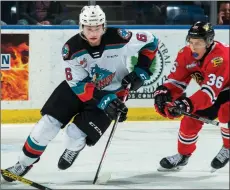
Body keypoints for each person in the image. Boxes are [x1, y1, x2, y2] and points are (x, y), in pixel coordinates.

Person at [2, 5, 159, 182]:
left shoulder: (121, 37)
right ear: (81, 27)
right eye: (89, 28)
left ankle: (73, 148)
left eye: (97, 28)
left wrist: (142, 69)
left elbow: (151, 41)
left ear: (104, 26)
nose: (93, 33)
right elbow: (79, 86)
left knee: (75, 135)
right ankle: (23, 164)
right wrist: (105, 100)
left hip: (113, 92)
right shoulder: (72, 49)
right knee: (46, 126)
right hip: (77, 89)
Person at [153, 21, 229, 172]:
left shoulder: (221, 57)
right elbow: (175, 81)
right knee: (190, 119)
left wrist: (186, 103)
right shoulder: (185, 54)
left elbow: (208, 94)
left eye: (199, 43)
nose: (193, 47)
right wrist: (164, 94)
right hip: (212, 91)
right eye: (191, 42)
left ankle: (228, 147)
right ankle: (183, 156)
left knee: (226, 113)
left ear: (209, 42)